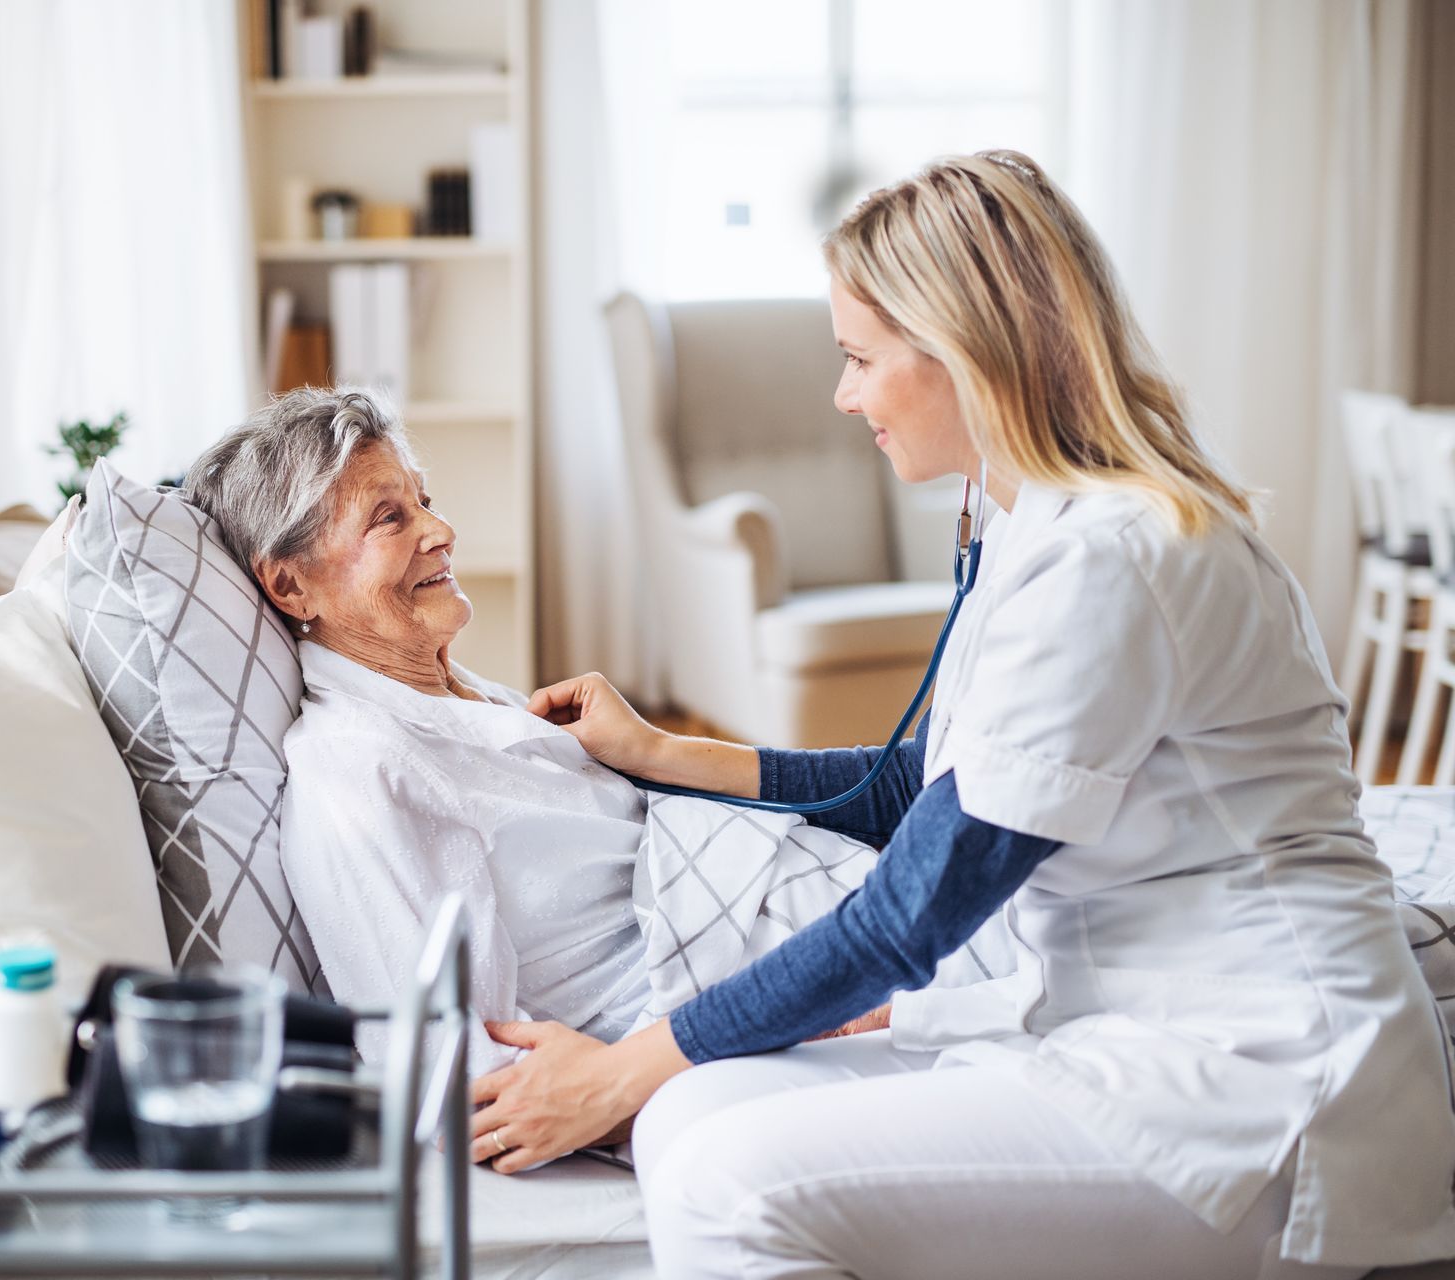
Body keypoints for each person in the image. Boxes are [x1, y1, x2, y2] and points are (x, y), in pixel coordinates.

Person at [466, 151, 1455, 1279]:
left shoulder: (1114, 557)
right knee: (688, 1117)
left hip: (1260, 1078)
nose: (843, 396)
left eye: (858, 358)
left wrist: (619, 1064)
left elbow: (910, 913)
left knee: (720, 1179)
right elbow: (914, 786)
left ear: (966, 353)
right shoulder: (1032, 518)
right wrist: (656, 751)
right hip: (1119, 1019)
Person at [185, 388, 913, 1077]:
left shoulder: (470, 700)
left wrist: (652, 755)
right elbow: (451, 1066)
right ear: (289, 586)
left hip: (856, 912)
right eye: (389, 518)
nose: (442, 532)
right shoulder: (359, 772)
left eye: (424, 503)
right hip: (805, 994)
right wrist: (801, 1027)